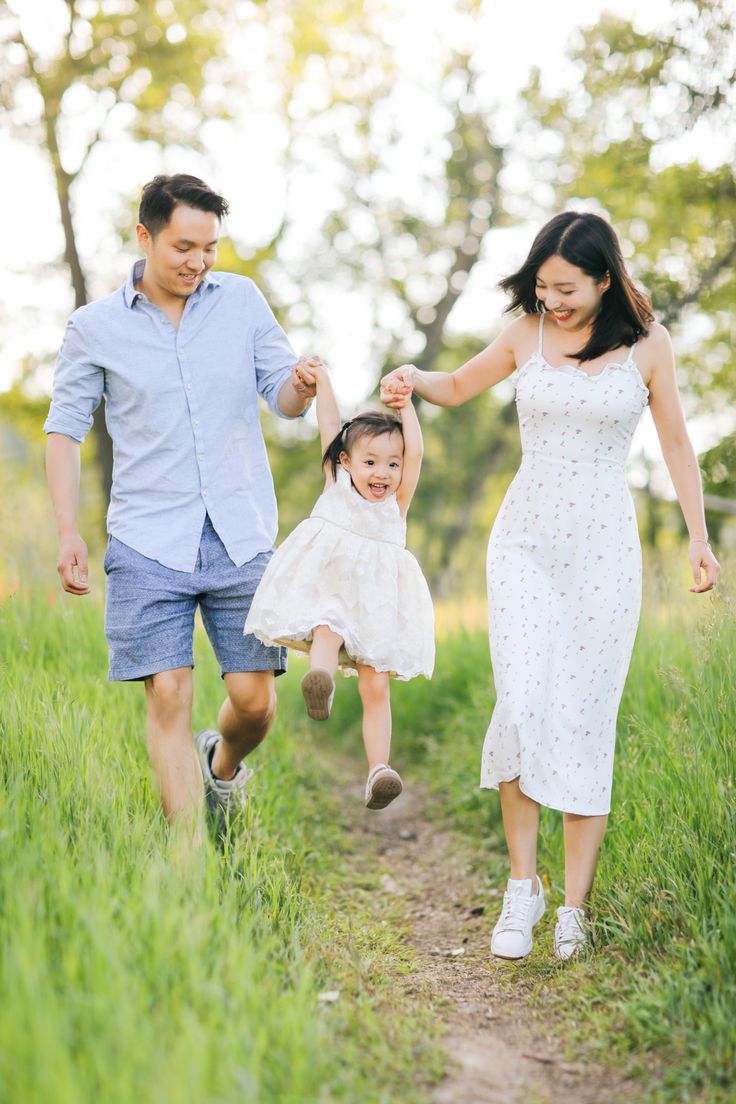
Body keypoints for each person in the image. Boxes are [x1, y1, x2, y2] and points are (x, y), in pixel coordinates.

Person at [381, 210, 720, 959]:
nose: (553, 301)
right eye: (542, 287)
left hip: (602, 553)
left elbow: (674, 443)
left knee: (584, 719)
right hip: (524, 545)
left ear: (606, 279)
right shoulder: (523, 335)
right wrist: (414, 381)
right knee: (521, 706)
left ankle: (573, 908)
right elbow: (459, 385)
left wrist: (698, 537)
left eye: (567, 288)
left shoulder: (648, 346)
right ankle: (521, 891)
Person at [44, 173, 317, 847]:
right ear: (145, 236)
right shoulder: (95, 327)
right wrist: (67, 530)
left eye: (210, 247)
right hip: (146, 539)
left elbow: (281, 395)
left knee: (255, 704)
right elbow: (64, 429)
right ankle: (190, 867)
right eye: (184, 246)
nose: (197, 261)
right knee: (168, 693)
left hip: (240, 531)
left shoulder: (242, 302)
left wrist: (302, 388)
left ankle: (220, 767)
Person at [245, 356, 434, 809]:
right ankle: (320, 682)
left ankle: (378, 770)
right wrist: (325, 379)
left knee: (376, 684)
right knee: (326, 627)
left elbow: (418, 452)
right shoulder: (337, 483)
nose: (382, 474)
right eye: (370, 462)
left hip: (375, 606)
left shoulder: (397, 503)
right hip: (332, 592)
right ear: (346, 461)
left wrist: (406, 406)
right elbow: (329, 420)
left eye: (392, 464)